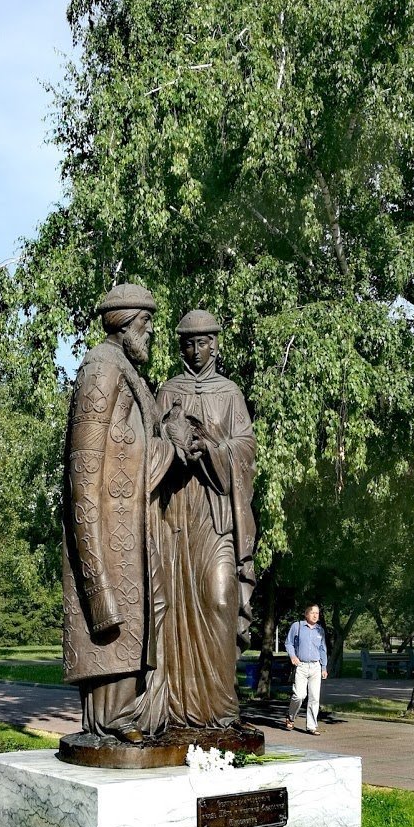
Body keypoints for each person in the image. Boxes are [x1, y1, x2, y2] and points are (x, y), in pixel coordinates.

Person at [61, 283, 175, 742]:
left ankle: (124, 717)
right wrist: (96, 587)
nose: (150, 337)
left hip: (133, 529)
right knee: (115, 638)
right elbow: (82, 471)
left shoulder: (125, 370)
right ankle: (111, 720)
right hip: (108, 536)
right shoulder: (101, 368)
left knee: (138, 629)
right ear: (125, 324)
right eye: (146, 326)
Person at [156, 309, 257, 729]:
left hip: (217, 514)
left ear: (215, 344)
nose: (195, 351)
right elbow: (154, 445)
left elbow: (246, 450)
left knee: (219, 599)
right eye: (188, 343)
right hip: (178, 514)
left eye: (202, 342)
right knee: (178, 607)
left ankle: (221, 708)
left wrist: (213, 447)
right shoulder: (167, 391)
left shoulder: (230, 393)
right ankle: (180, 710)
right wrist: (178, 447)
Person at [285, 604, 328, 734]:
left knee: (314, 697)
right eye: (313, 613)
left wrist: (324, 667)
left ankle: (311, 726)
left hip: (315, 666)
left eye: (317, 613)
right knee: (299, 695)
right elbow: (289, 643)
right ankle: (291, 717)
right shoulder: (297, 626)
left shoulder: (320, 630)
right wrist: (293, 656)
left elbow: (323, 649)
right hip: (301, 666)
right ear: (306, 614)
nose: (315, 615)